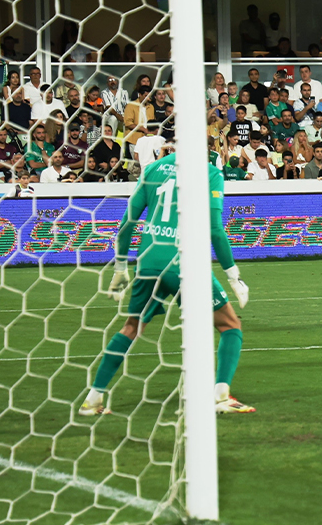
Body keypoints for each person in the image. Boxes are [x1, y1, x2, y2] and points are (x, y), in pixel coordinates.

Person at [80, 152, 253, 417]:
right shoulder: (210, 173)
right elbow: (215, 229)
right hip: (184, 262)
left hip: (148, 259)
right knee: (230, 325)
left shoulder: (154, 169)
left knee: (131, 327)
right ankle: (220, 396)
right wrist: (233, 275)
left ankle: (93, 399)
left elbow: (128, 221)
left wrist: (120, 266)